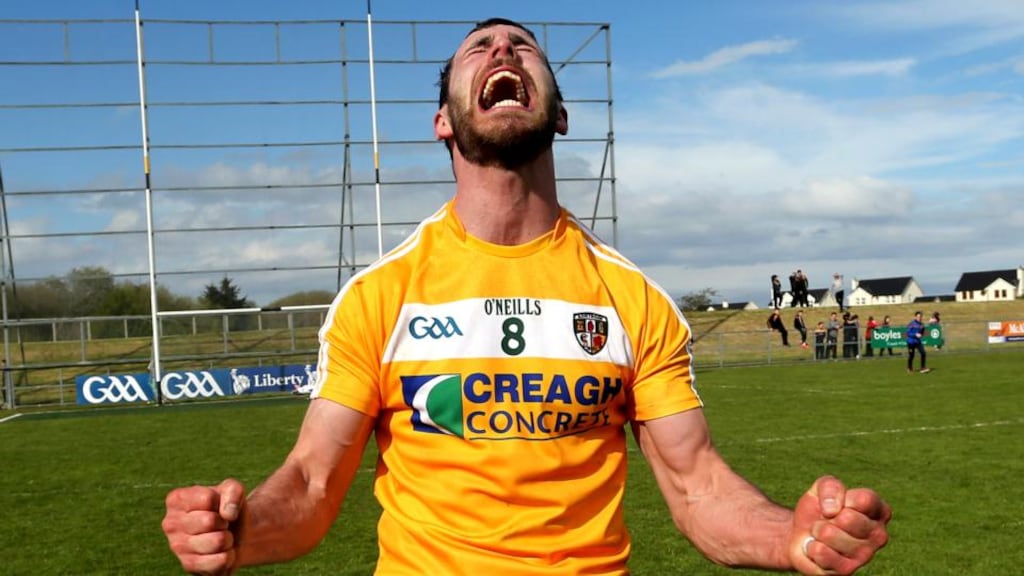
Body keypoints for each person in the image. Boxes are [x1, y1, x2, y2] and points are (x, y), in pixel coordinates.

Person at [160, 19, 890, 576]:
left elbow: (696, 484)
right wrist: (238, 526)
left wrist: (788, 537)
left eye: (522, 47)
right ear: (444, 120)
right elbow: (314, 483)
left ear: (560, 116)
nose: (504, 53)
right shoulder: (378, 296)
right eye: (480, 49)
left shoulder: (632, 300)